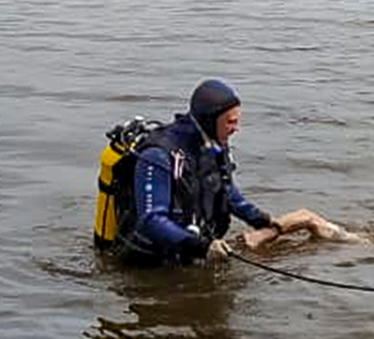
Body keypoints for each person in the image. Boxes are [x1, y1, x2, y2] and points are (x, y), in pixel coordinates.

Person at [118, 79, 357, 267]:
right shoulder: (157, 155)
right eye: (230, 122)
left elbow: (225, 190)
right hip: (154, 262)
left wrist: (260, 219)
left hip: (198, 249)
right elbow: (151, 221)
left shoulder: (212, 143)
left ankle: (353, 241)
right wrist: (202, 247)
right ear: (210, 120)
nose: (236, 129)